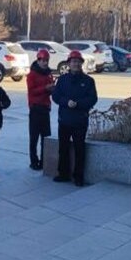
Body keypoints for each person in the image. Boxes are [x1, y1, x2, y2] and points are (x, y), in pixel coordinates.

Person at [52, 50, 98, 187]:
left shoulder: (88, 81)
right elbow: (56, 96)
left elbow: (92, 98)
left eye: (78, 62)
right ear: (69, 63)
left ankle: (78, 177)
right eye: (73, 62)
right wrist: (66, 102)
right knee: (63, 148)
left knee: (79, 149)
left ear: (81, 63)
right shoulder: (62, 79)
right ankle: (63, 174)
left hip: (80, 121)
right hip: (64, 120)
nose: (76, 64)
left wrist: (78, 104)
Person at [26, 49, 56, 170]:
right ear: (38, 60)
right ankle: (34, 161)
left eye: (46, 60)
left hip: (45, 108)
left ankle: (44, 161)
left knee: (46, 137)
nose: (45, 63)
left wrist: (52, 88)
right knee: (34, 137)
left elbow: (49, 90)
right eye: (42, 60)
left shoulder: (48, 74)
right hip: (35, 108)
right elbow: (32, 91)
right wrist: (45, 88)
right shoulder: (32, 75)